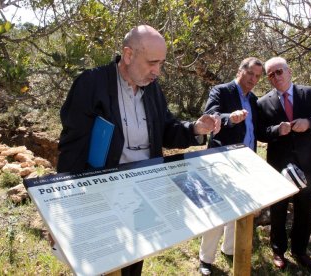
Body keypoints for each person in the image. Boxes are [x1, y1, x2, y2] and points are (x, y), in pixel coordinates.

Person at [56, 25, 221, 276]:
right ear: (128, 54)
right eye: (152, 63)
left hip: (145, 193)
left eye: (161, 63)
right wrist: (65, 206)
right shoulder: (92, 84)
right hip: (104, 195)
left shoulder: (152, 88)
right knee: (104, 264)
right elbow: (72, 147)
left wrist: (195, 128)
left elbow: (166, 129)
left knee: (134, 262)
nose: (158, 71)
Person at [257, 57, 311, 271]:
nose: (275, 77)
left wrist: (309, 122)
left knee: (304, 210)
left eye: (279, 72)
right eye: (270, 74)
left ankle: (300, 250)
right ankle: (278, 250)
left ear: (289, 71)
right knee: (278, 210)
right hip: (278, 166)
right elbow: (262, 133)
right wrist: (275, 131)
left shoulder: (310, 93)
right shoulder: (263, 103)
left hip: (307, 164)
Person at [198, 57, 264, 275]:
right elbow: (212, 115)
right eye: (250, 74)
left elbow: (256, 130)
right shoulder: (221, 91)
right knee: (216, 209)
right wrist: (229, 118)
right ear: (240, 71)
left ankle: (229, 249)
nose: (253, 80)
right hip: (220, 161)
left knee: (238, 208)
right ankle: (206, 259)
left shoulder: (254, 100)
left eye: (257, 77)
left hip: (246, 163)